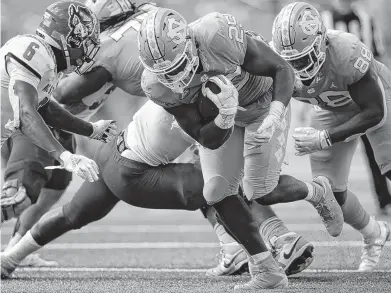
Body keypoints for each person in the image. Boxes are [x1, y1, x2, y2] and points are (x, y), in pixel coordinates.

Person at [1, 0, 313, 276]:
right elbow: (208, 138)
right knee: (219, 187)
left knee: (72, 213)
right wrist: (227, 114)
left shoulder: (168, 59)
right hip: (134, 169)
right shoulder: (170, 77)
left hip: (118, 150)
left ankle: (10, 256)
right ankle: (276, 239)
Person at [139, 8, 344, 290]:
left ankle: (318, 192)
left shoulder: (216, 35)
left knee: (260, 191)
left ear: (189, 45)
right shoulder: (156, 85)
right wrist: (223, 116)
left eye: (176, 68)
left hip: (263, 102)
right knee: (215, 191)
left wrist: (274, 115)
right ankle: (267, 270)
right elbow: (204, 136)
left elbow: (281, 68)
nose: (174, 79)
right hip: (227, 118)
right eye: (164, 73)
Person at [271, 1, 391, 272]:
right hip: (330, 107)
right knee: (330, 193)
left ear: (322, 42)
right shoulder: (276, 64)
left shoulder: (345, 51)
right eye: (291, 60)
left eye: (303, 57)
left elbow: (375, 112)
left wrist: (324, 137)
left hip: (377, 100)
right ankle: (375, 233)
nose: (298, 66)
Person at [0, 0, 118, 224]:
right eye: (84, 42)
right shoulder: (34, 53)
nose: (86, 50)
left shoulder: (46, 61)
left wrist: (90, 129)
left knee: (19, 199)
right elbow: (26, 113)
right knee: (16, 198)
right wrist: (63, 156)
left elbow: (43, 107)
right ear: (68, 38)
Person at [321, 0, 391, 215]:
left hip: (365, 94)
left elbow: (378, 55)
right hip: (334, 99)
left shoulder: (365, 18)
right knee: (333, 156)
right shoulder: (323, 20)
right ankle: (334, 203)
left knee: (379, 153)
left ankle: (384, 201)